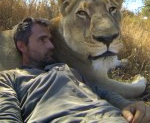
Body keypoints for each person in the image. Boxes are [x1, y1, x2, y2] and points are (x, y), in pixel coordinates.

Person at [0, 17, 149, 123]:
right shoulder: (8, 78)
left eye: (50, 40)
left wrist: (127, 105)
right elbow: (6, 115)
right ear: (21, 46)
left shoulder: (66, 69)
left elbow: (100, 91)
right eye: (42, 39)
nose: (51, 46)